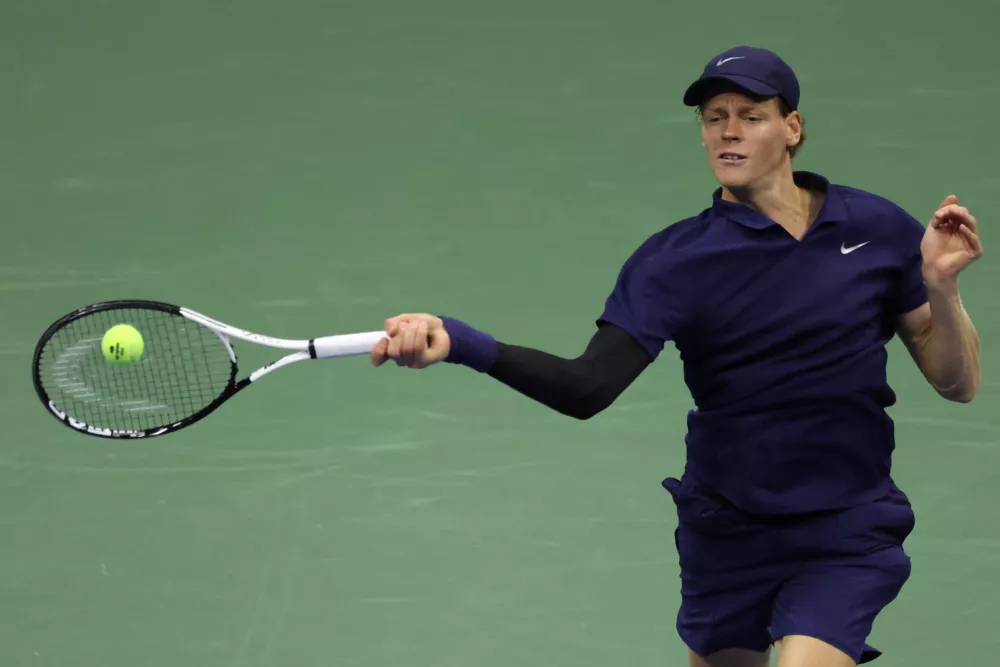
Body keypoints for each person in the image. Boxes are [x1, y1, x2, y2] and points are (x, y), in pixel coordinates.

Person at [369, 45, 984, 667]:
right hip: (729, 530)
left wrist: (941, 285)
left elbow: (957, 382)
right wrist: (463, 343)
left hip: (845, 524)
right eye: (715, 116)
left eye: (751, 114)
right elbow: (588, 387)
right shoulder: (674, 264)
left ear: (792, 128)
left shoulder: (877, 228)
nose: (730, 130)